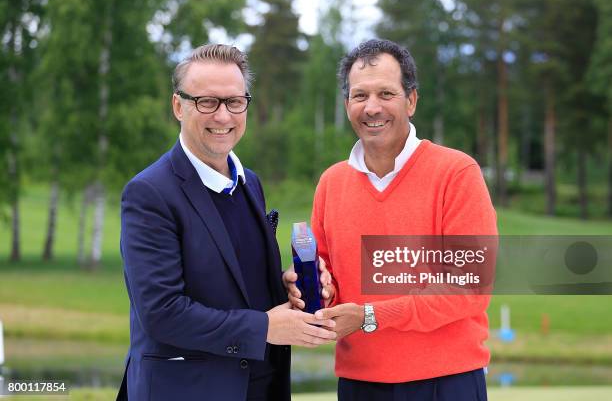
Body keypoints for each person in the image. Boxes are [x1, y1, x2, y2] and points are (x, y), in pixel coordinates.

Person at [117, 44, 336, 401]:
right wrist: (265, 327)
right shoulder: (149, 193)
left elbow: (236, 282)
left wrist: (292, 288)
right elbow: (162, 313)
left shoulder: (250, 183)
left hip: (261, 388)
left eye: (234, 102)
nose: (223, 116)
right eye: (207, 102)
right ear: (178, 106)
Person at [285, 39, 497, 400]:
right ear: (347, 104)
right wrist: (311, 292)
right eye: (359, 95)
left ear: (411, 101)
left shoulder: (456, 173)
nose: (372, 108)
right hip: (358, 384)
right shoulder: (331, 183)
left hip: (446, 382)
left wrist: (370, 315)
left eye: (386, 93)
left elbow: (468, 289)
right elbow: (331, 281)